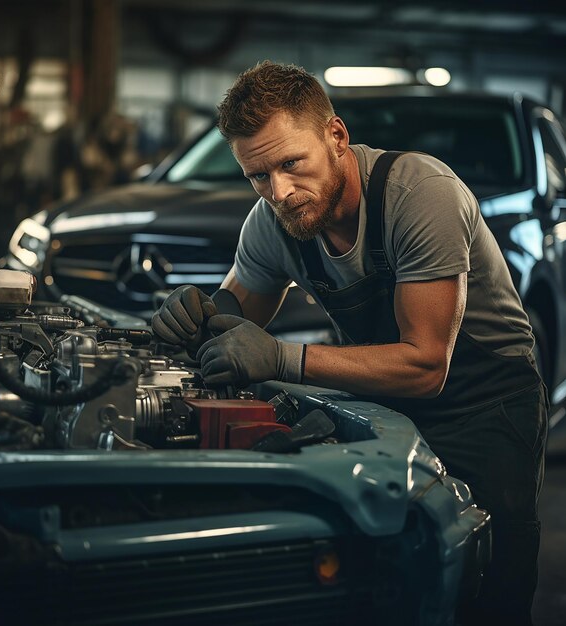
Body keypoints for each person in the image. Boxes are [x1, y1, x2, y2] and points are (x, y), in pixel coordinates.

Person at [151, 61, 548, 625]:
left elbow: (426, 364)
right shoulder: (273, 220)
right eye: (258, 176)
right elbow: (235, 307)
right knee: (388, 578)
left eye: (291, 164)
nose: (279, 192)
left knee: (487, 589)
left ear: (335, 136)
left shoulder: (420, 194)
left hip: (485, 405)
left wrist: (283, 358)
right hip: (385, 407)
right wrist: (194, 316)